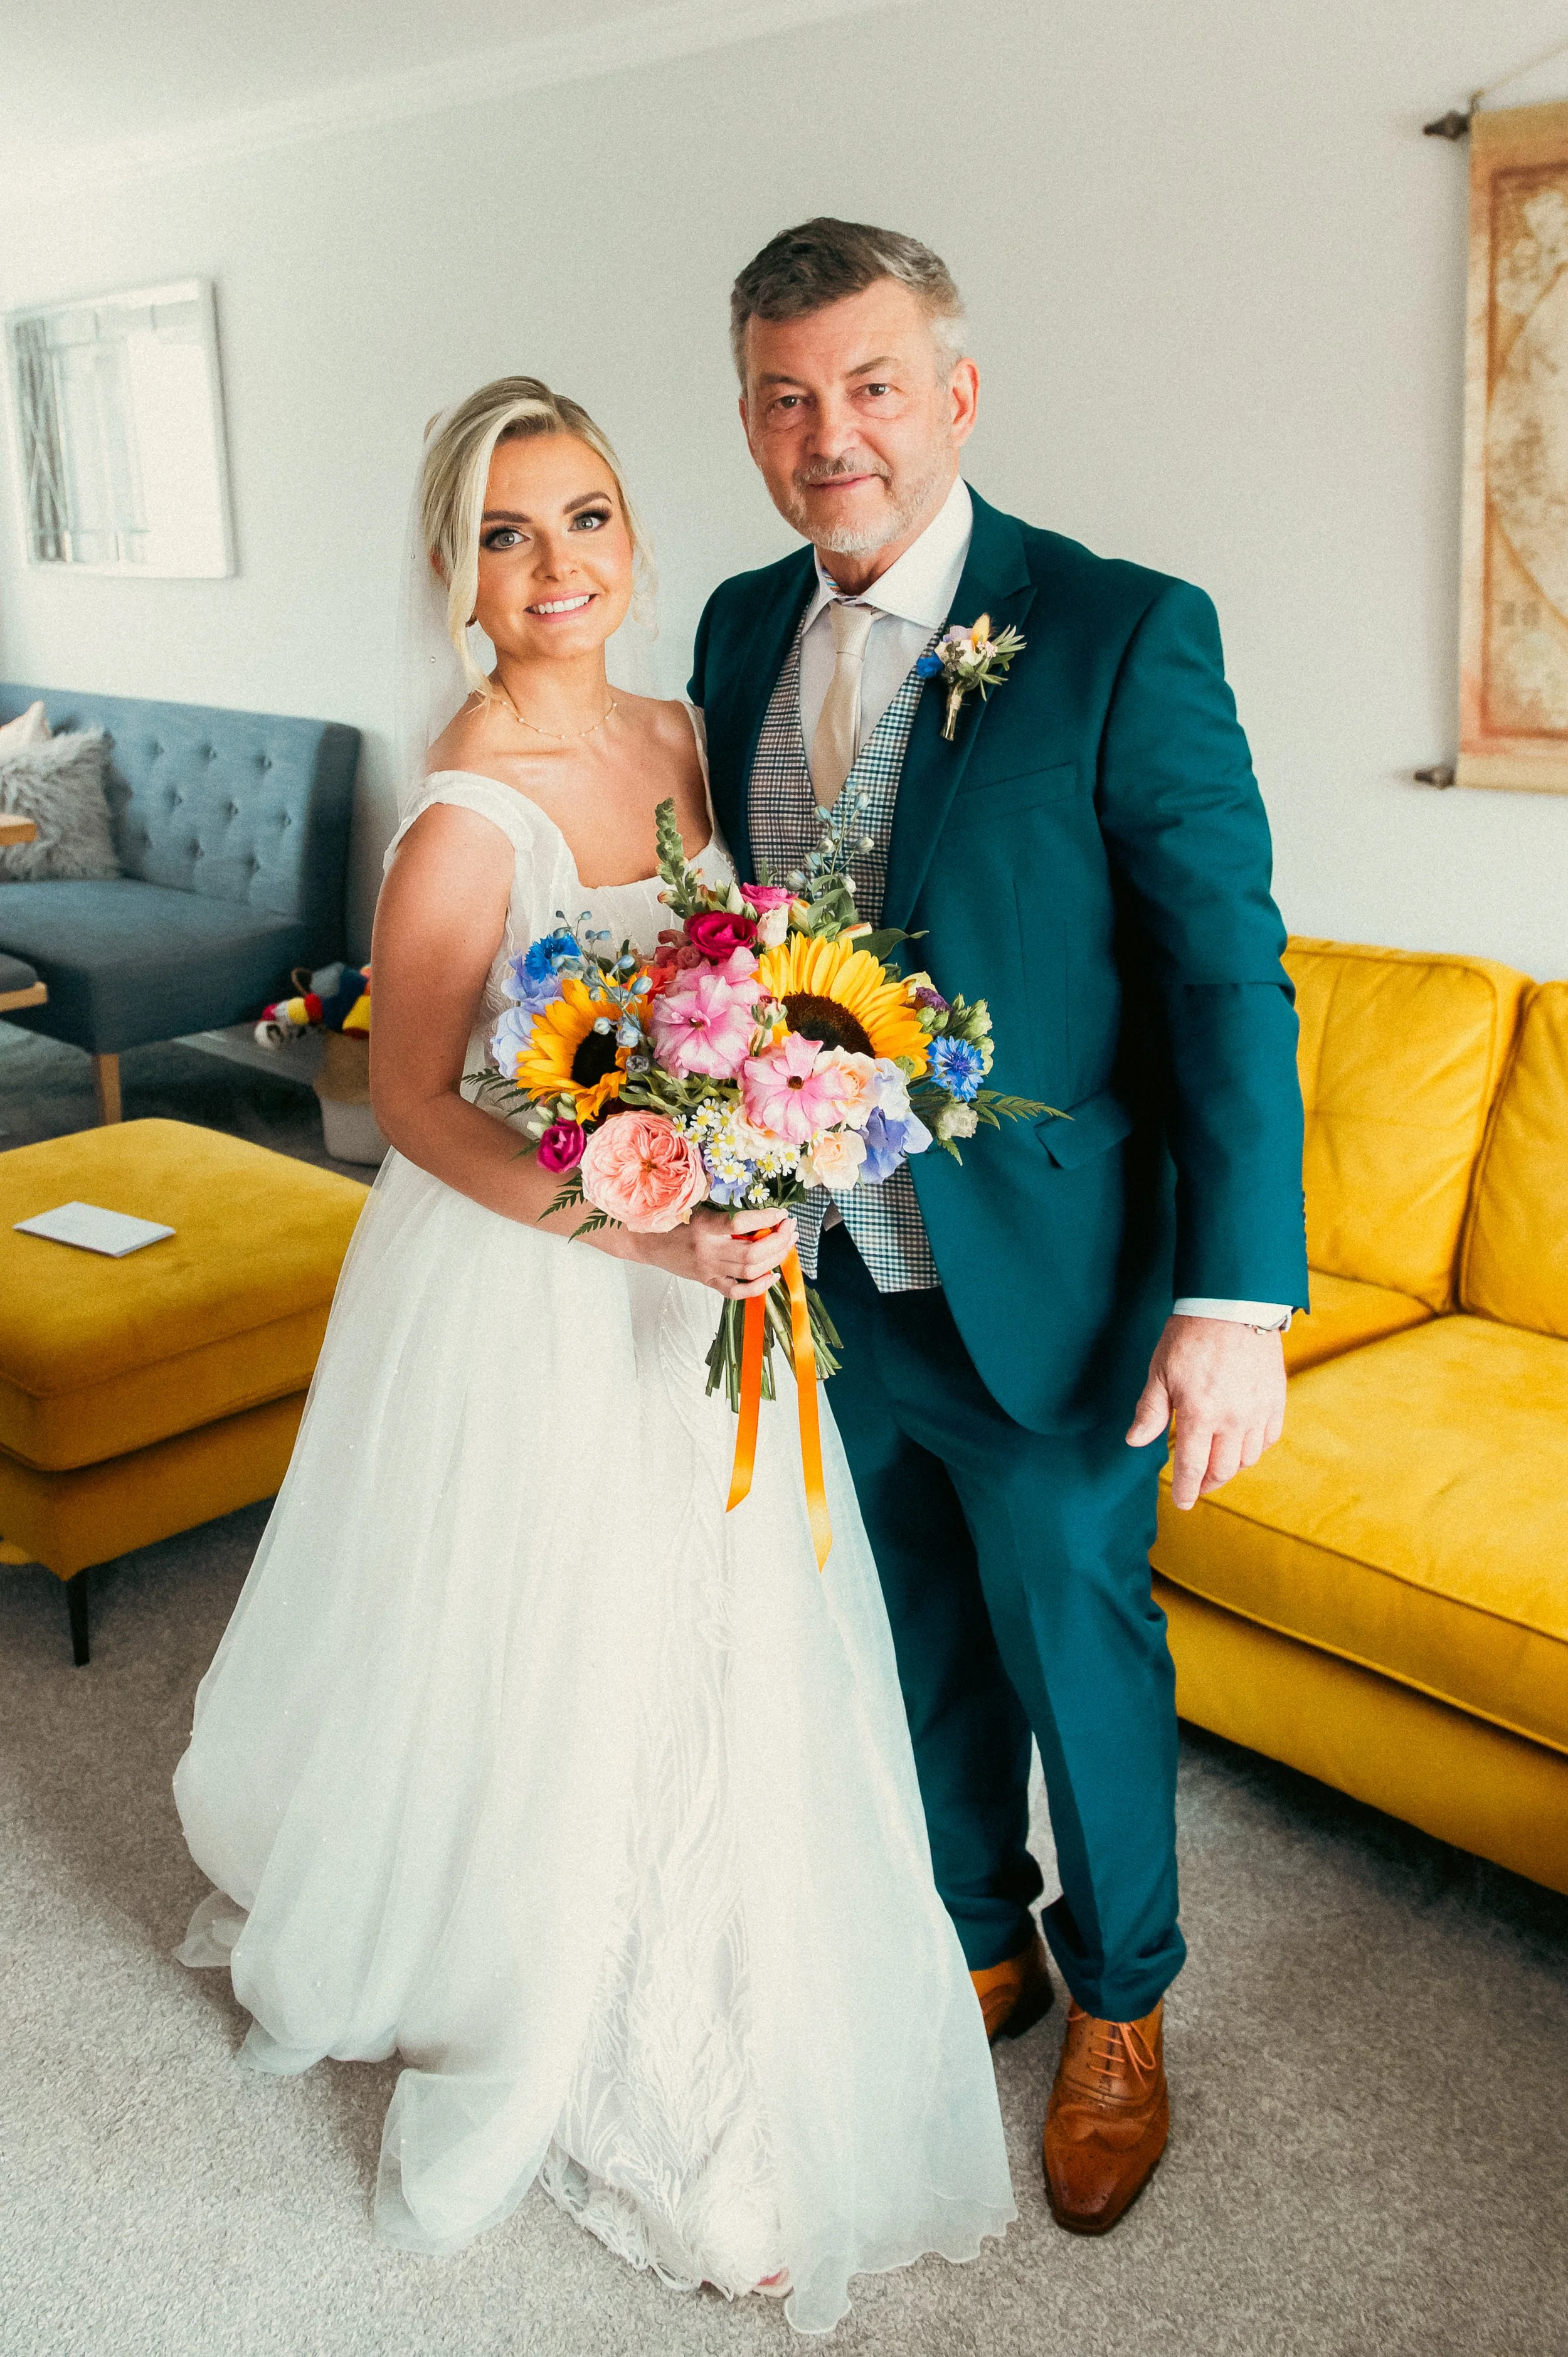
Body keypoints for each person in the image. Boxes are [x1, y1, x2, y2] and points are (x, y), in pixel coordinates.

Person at [172, 377, 1014, 2334]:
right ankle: (613, 2038)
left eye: (584, 517)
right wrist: (636, 1217)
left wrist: (774, 1141)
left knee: (731, 1642)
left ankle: (759, 1984)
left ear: (631, 533)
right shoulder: (467, 797)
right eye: (503, 533)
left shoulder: (686, 729)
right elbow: (411, 1103)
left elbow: (742, 985)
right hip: (539, 1283)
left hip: (708, 1271)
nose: (555, 566)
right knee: (566, 1648)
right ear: (455, 577)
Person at [690, 218, 1309, 2236]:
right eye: (784, 397)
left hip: (1051, 1284)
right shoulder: (723, 631)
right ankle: (979, 1932)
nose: (828, 434)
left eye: (869, 385)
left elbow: (1221, 974)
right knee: (899, 1629)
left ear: (955, 394)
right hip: (824, 1282)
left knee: (1074, 1649)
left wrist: (1235, 1297)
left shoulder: (1122, 627)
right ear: (751, 420)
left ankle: (1120, 2002)